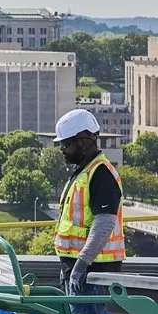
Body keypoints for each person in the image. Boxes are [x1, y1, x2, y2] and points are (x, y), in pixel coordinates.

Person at [51, 109, 125, 293]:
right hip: (79, 269)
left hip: (94, 271)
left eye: (66, 143)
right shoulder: (84, 172)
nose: (62, 149)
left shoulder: (101, 174)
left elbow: (104, 224)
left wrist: (81, 264)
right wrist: (68, 268)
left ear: (83, 141)